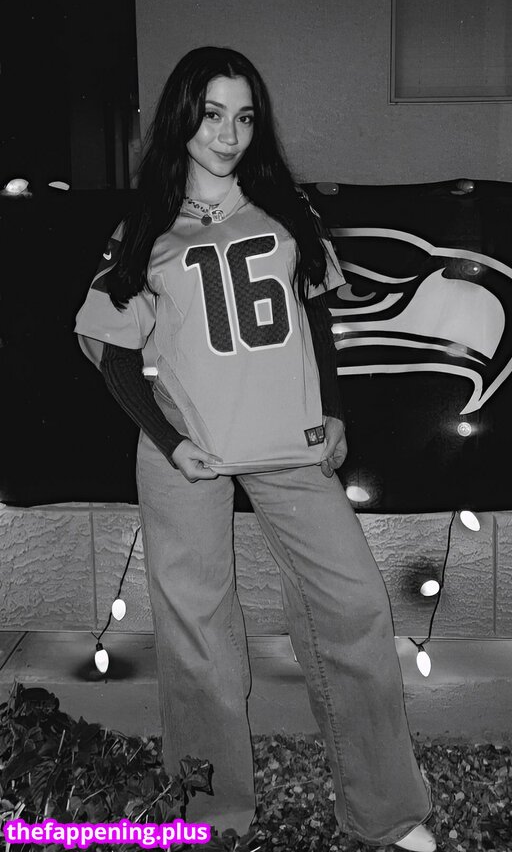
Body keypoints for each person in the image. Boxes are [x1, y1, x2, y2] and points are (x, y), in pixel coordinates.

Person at [74, 47, 437, 851]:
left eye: (243, 116)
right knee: (198, 639)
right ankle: (209, 816)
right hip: (186, 447)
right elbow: (112, 350)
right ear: (182, 117)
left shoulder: (284, 208)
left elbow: (315, 316)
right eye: (212, 114)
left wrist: (332, 411)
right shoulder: (144, 226)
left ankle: (384, 810)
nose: (228, 134)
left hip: (287, 443)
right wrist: (168, 440)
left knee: (355, 607)